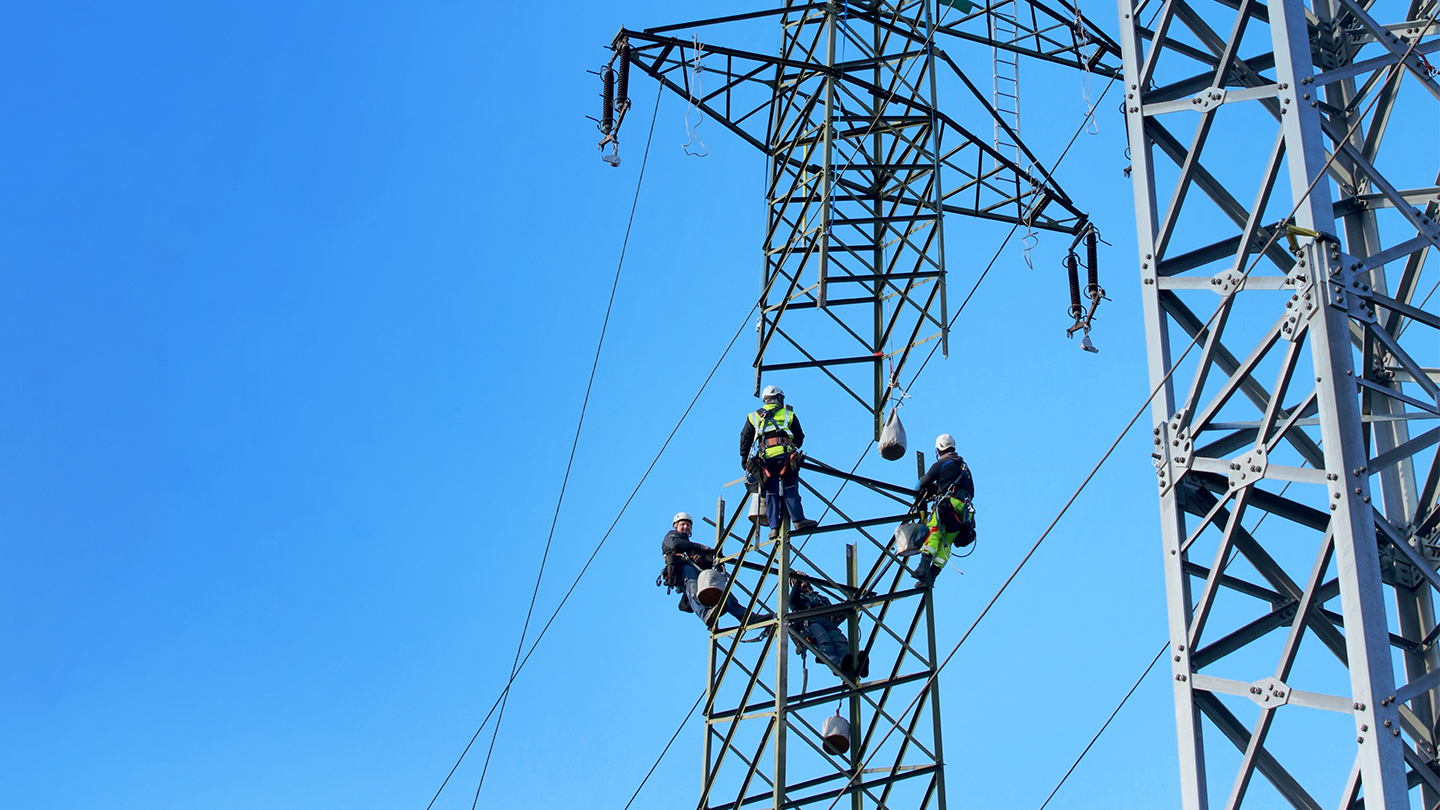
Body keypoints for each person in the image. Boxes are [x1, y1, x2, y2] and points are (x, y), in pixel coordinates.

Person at [740, 385, 819, 540]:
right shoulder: (788, 414)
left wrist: (745, 461)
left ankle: (774, 528)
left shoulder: (753, 417)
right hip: (785, 457)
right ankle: (798, 520)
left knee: (771, 493)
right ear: (779, 398)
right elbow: (799, 437)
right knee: (790, 488)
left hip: (766, 460)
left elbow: (745, 440)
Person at [662, 512, 768, 626]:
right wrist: (701, 547)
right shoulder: (671, 536)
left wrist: (706, 556)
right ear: (675, 525)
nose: (685, 527)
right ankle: (705, 614)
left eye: (688, 525)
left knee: (725, 594)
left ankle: (748, 617)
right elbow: (674, 545)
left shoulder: (688, 544)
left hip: (696, 571)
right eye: (682, 524)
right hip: (684, 570)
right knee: (693, 590)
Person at [912, 433, 976, 585]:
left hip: (948, 504)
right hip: (964, 511)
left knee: (934, 531)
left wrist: (917, 498)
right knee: (947, 541)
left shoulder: (943, 463)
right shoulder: (965, 468)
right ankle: (932, 576)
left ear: (938, 450)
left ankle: (923, 568)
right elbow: (971, 491)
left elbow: (921, 483)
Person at [789, 573, 869, 680]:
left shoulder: (821, 598)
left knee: (840, 641)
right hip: (812, 622)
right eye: (794, 581)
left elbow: (834, 614)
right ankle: (838, 666)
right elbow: (792, 602)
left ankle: (856, 666)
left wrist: (849, 605)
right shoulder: (799, 598)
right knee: (824, 641)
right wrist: (798, 581)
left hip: (828, 622)